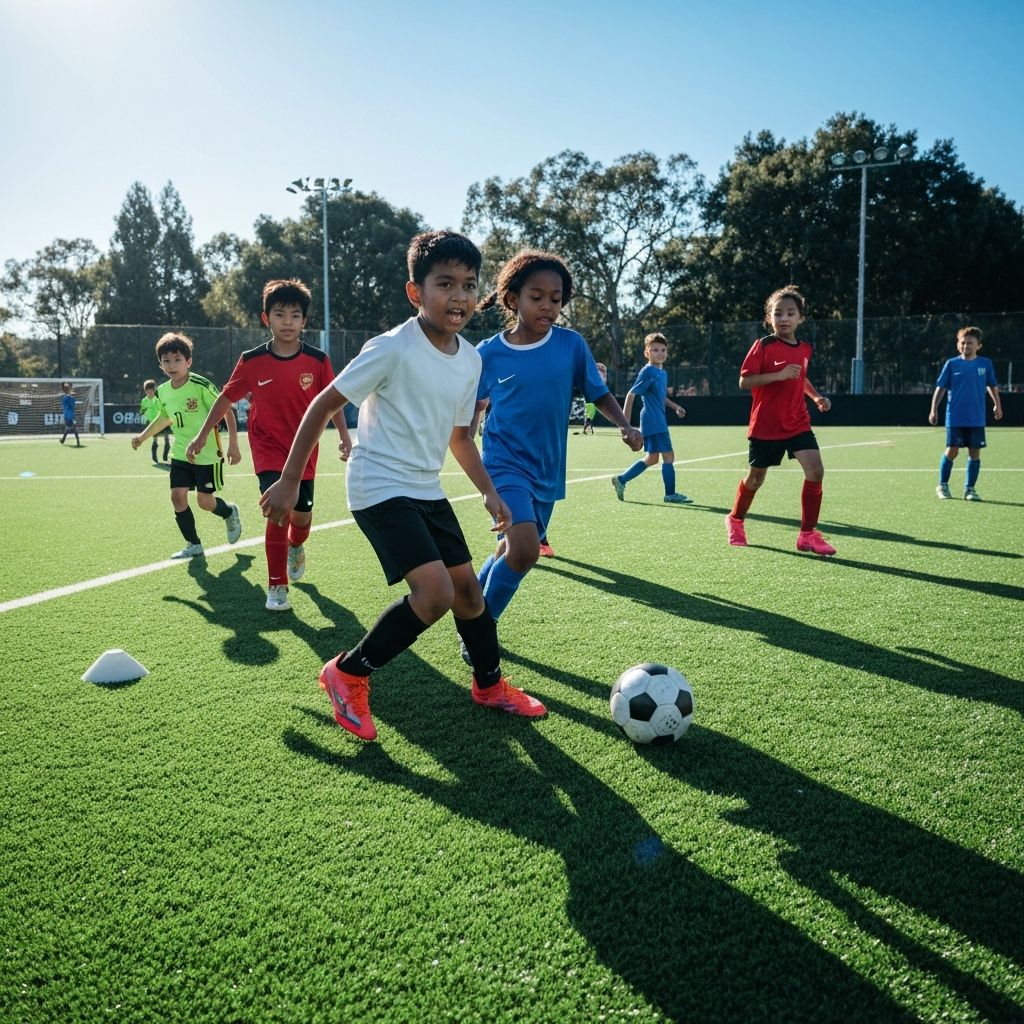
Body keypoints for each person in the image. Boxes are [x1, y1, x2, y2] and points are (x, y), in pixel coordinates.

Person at [260, 230, 546, 742]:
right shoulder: (392, 348)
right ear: (416, 292)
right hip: (377, 485)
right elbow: (324, 404)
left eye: (468, 284)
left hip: (424, 488)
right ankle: (347, 673)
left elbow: (460, 438)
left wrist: (488, 490)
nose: (459, 296)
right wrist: (286, 480)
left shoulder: (471, 359)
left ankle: (489, 685)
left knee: (470, 596)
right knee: (434, 593)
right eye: (444, 284)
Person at [468, 249, 642, 646]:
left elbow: (597, 393)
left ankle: (471, 599)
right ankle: (479, 630)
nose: (548, 305)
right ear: (513, 299)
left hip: (548, 467)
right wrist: (473, 422)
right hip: (504, 463)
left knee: (510, 546)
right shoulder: (488, 353)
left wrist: (626, 426)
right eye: (537, 296)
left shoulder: (571, 345)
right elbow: (475, 403)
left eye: (556, 298)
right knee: (526, 549)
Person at [186, 279, 352, 612]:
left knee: (301, 519)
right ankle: (277, 586)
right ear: (267, 319)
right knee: (278, 511)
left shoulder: (318, 361)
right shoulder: (251, 361)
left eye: (294, 315)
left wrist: (346, 437)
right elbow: (224, 398)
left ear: (304, 321)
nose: (287, 321)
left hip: (304, 451)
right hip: (267, 449)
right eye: (280, 314)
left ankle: (296, 546)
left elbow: (332, 403)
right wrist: (203, 433)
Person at [725, 285, 836, 556]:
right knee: (755, 479)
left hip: (797, 421)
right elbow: (744, 381)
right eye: (778, 314)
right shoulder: (763, 346)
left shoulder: (805, 349)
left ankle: (807, 535)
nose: (784, 318)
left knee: (816, 471)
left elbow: (800, 377)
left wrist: (816, 397)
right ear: (769, 318)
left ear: (800, 318)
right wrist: (778, 375)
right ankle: (736, 519)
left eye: (790, 313)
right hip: (766, 424)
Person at [131, 333, 242, 559]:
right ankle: (194, 544)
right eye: (166, 361)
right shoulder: (162, 391)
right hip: (181, 451)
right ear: (160, 364)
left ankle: (229, 512)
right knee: (177, 496)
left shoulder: (201, 385)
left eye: (177, 359)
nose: (172, 365)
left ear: (188, 362)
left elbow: (227, 409)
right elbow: (164, 418)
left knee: (204, 501)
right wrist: (142, 437)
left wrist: (234, 444)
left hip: (208, 453)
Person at [611, 334, 691, 504]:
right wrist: (624, 426)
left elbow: (660, 396)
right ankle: (670, 494)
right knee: (668, 457)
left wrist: (675, 407)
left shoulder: (661, 373)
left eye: (663, 350)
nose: (660, 353)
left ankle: (621, 480)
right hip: (653, 420)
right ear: (647, 352)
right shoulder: (647, 371)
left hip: (656, 419)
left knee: (652, 458)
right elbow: (631, 395)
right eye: (654, 350)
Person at [928, 325, 1003, 501]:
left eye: (970, 343)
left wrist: (997, 405)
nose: (966, 346)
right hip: (955, 417)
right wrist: (933, 409)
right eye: (963, 343)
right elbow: (941, 388)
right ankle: (943, 485)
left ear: (978, 346)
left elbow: (991, 385)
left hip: (976, 418)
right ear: (958, 345)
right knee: (952, 450)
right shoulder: (952, 364)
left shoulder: (985, 364)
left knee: (974, 453)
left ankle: (970, 490)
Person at [140, 378, 171, 463]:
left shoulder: (159, 399)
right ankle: (154, 457)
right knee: (155, 439)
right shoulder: (144, 401)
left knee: (166, 438)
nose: (149, 393)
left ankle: (165, 457)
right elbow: (142, 411)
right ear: (145, 391)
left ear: (154, 390)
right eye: (147, 391)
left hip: (163, 422)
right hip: (153, 423)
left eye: (151, 391)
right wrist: (143, 416)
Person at [580, 362, 608, 435]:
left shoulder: (599, 375)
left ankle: (586, 427)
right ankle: (587, 426)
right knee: (589, 413)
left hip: (592, 396)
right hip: (590, 396)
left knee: (590, 414)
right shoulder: (593, 374)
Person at [59, 382, 80, 446]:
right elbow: (72, 406)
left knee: (71, 428)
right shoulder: (72, 399)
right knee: (70, 428)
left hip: (68, 416)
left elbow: (65, 405)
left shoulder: (65, 398)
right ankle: (64, 440)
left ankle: (77, 441)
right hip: (70, 416)